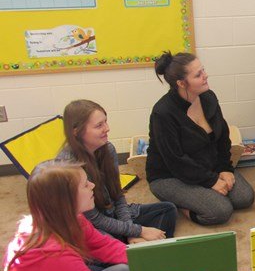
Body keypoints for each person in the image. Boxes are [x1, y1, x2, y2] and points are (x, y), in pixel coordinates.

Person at [0, 161, 132, 271]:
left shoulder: (68, 220)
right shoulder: (52, 257)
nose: (92, 185)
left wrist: (150, 258)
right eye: (85, 185)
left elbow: (105, 246)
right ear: (65, 200)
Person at [146, 51, 254, 226]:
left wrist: (225, 169)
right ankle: (183, 207)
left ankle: (200, 194)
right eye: (198, 75)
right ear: (181, 83)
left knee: (244, 198)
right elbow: (176, 160)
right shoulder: (163, 113)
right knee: (221, 211)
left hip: (207, 166)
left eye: (203, 70)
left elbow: (222, 138)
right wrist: (211, 181)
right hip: (170, 176)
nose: (206, 76)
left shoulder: (208, 97)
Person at [58, 100, 177, 243]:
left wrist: (130, 231)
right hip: (92, 226)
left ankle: (136, 248)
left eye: (105, 122)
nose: (107, 128)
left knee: (167, 210)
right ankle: (132, 250)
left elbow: (117, 195)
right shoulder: (68, 165)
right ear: (76, 132)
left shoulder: (108, 149)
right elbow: (94, 218)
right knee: (104, 244)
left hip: (111, 213)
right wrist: (138, 231)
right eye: (99, 125)